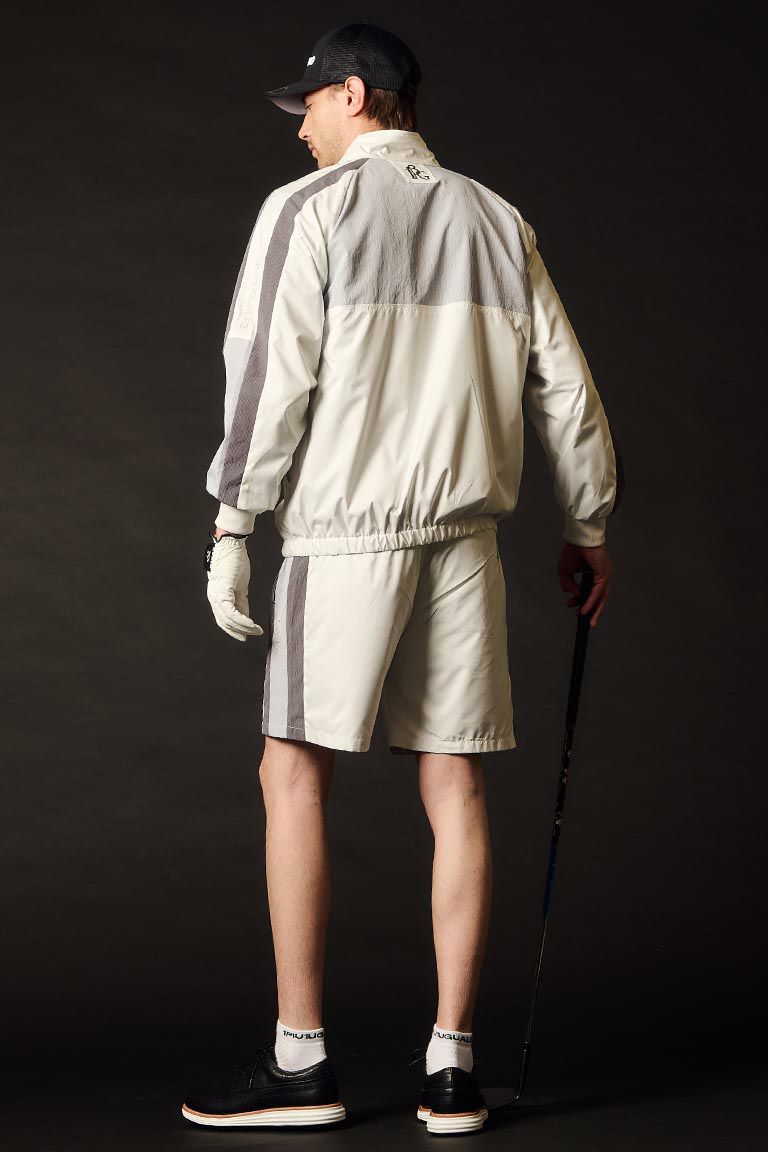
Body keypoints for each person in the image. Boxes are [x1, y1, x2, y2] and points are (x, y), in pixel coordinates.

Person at [183, 20, 621, 1137]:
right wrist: (588, 523)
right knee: (453, 782)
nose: (302, 132)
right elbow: (566, 387)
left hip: (346, 538)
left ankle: (302, 1065)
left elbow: (267, 378)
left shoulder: (308, 212)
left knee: (292, 770)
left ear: (355, 95)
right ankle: (452, 1071)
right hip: (466, 544)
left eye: (310, 108)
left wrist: (233, 521)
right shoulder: (496, 217)